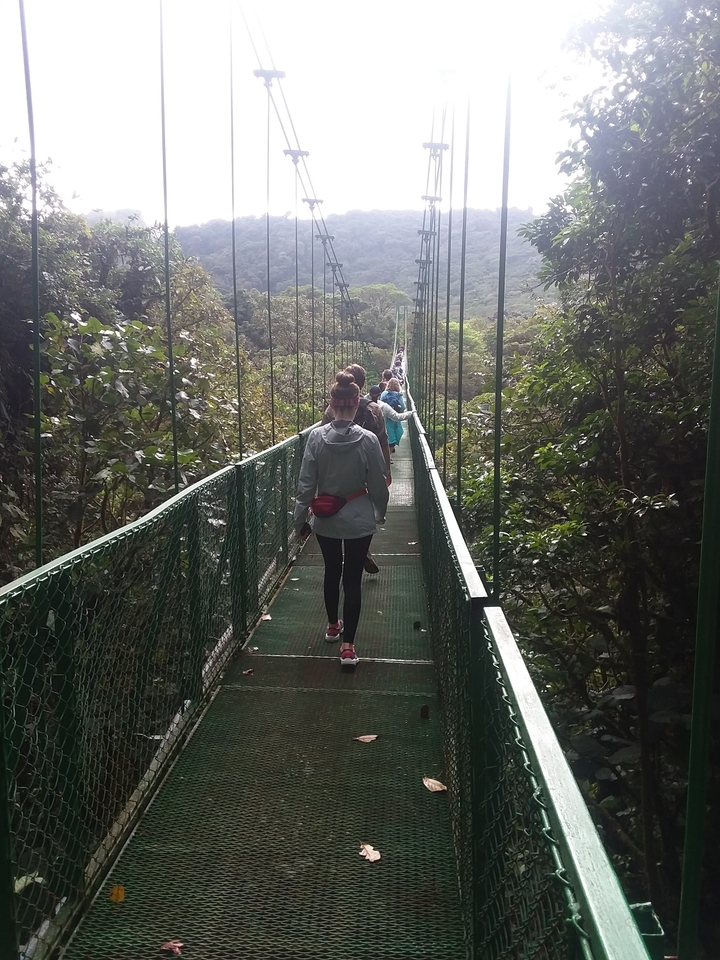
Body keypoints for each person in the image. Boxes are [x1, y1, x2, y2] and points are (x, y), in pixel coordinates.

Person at [295, 371, 389, 668]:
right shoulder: (369, 440)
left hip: (326, 519)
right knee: (352, 580)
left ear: (331, 403)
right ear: (357, 401)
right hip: (360, 518)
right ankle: (348, 648)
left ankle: (333, 626)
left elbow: (306, 484)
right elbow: (378, 483)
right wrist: (380, 512)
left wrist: (300, 520)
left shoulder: (315, 438)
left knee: (331, 571)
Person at [321, 363, 390, 575]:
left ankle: (350, 559)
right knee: (359, 509)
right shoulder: (374, 409)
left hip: (335, 477)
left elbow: (323, 435)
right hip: (366, 470)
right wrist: (386, 471)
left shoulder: (330, 411)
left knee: (331, 570)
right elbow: (382, 440)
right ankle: (362, 554)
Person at [380, 378, 406, 452]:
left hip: (385, 417)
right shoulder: (398, 394)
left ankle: (387, 454)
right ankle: (390, 453)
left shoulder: (384, 393)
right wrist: (399, 412)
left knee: (387, 434)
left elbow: (380, 404)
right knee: (396, 432)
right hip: (395, 417)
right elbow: (403, 407)